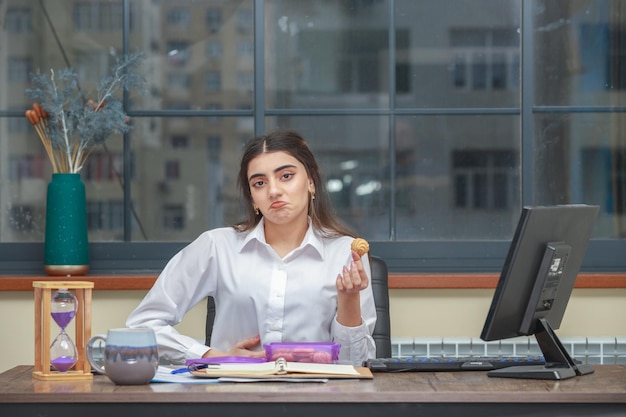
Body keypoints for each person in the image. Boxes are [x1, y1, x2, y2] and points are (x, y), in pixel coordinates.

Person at [126, 129, 377, 366]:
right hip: (234, 397)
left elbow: (356, 365)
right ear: (252, 196)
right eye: (259, 183)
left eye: (286, 176)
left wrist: (349, 300)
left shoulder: (347, 253)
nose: (274, 191)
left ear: (311, 182)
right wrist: (212, 356)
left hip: (316, 400)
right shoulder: (217, 246)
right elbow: (142, 325)